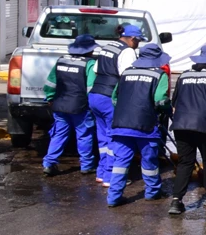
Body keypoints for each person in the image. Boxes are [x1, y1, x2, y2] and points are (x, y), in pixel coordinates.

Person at [106, 43, 171, 208]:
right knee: (149, 161)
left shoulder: (126, 73)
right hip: (145, 126)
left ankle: (113, 197)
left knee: (120, 162)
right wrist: (167, 109)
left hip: (121, 125)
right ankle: (152, 192)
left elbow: (114, 98)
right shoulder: (159, 75)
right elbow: (160, 100)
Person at [168, 45, 206, 215]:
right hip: (205, 125)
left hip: (181, 125)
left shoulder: (184, 75)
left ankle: (176, 201)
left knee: (185, 162)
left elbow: (174, 106)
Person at [89, 24, 144, 187]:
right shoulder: (127, 51)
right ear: (132, 39)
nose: (138, 44)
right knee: (116, 138)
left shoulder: (107, 47)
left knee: (103, 138)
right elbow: (128, 76)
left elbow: (96, 69)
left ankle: (101, 173)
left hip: (95, 96)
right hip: (109, 98)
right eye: (138, 41)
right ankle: (111, 176)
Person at [41, 34, 99, 177]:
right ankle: (86, 165)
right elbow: (91, 88)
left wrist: (49, 98)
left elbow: (50, 83)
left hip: (60, 105)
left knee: (59, 134)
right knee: (84, 135)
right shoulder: (89, 64)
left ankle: (49, 163)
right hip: (80, 107)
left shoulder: (61, 61)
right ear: (90, 50)